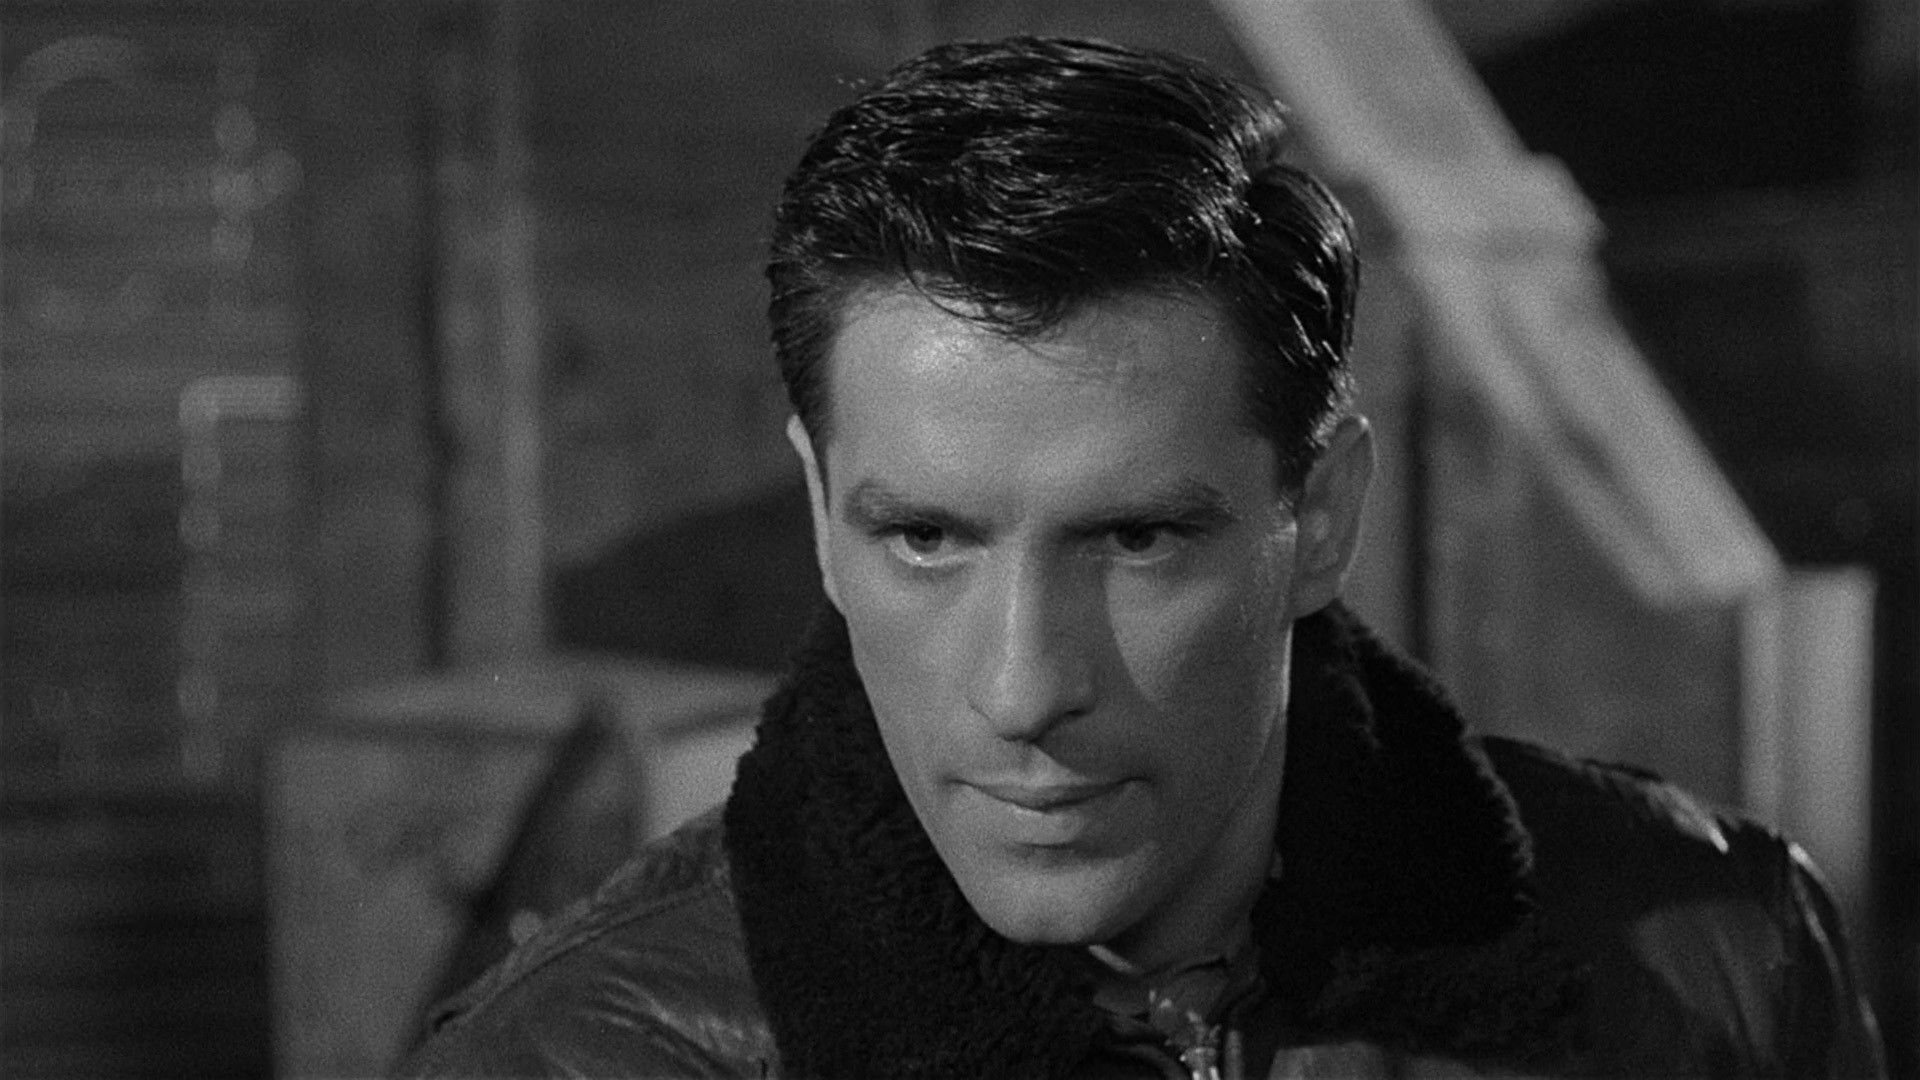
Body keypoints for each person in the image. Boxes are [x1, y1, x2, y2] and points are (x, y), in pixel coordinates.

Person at [402, 36, 1884, 1079]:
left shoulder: (1711, 963)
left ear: (1320, 517)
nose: (1023, 689)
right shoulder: (578, 1060)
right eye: (926, 537)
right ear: (820, 519)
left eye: (1135, 538)